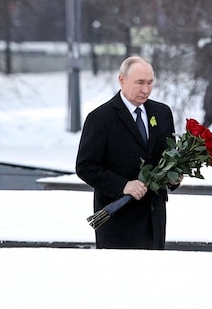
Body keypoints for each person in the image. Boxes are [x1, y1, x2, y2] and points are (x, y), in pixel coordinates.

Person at [75, 55, 178, 249]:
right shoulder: (101, 118)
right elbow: (85, 166)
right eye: (139, 82)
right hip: (117, 218)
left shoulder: (162, 113)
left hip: (153, 217)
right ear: (121, 80)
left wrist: (174, 177)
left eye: (150, 82)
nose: (145, 89)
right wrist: (123, 185)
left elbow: (167, 155)